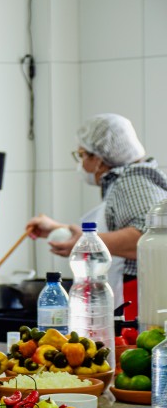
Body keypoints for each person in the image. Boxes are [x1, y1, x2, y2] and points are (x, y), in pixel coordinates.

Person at [26, 113, 167, 321]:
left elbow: (147, 236)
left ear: (99, 159)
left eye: (81, 155)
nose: (80, 163)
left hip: (137, 299)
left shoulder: (133, 181)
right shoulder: (128, 180)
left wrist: (84, 243)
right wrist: (58, 229)